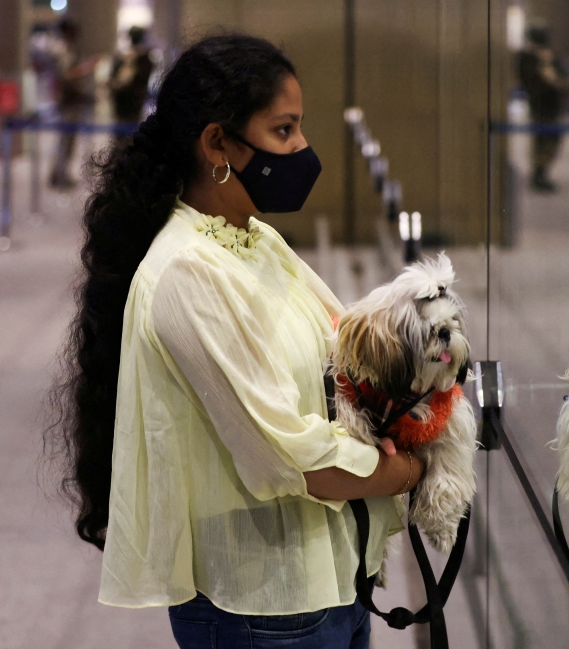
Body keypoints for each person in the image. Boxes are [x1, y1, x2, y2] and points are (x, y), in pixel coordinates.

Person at [49, 35, 422, 648]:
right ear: (217, 143)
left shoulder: (254, 240)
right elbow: (290, 457)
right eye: (283, 131)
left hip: (333, 582)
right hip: (264, 608)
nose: (302, 150)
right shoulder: (187, 272)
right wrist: (406, 470)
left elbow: (346, 349)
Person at [518, 26, 569, 192]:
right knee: (540, 142)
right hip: (539, 105)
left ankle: (542, 171)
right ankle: (538, 173)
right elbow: (529, 80)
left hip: (552, 105)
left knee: (552, 141)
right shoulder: (527, 58)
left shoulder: (550, 55)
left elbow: (563, 77)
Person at [49, 19, 97, 189]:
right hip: (68, 101)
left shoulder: (65, 47)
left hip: (70, 100)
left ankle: (58, 174)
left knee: (65, 140)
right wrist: (87, 68)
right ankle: (59, 175)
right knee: (66, 140)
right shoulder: (64, 49)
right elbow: (66, 75)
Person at [109, 26, 154, 131]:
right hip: (122, 96)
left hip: (134, 97)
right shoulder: (123, 55)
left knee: (130, 127)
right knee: (121, 126)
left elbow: (142, 78)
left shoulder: (143, 57)